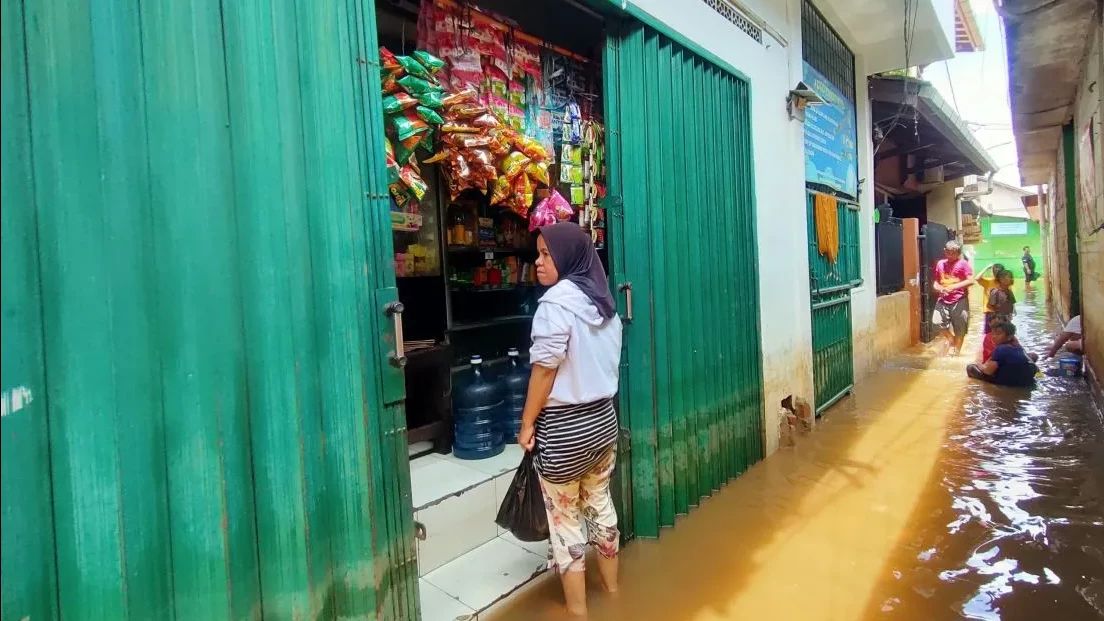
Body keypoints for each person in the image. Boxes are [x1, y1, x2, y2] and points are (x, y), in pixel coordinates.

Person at [517, 222, 623, 616]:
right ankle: (614, 595)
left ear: (566, 258)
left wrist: (527, 424)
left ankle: (578, 612)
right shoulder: (605, 304)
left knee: (566, 525)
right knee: (600, 506)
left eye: (546, 255)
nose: (538, 262)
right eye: (539, 253)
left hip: (564, 430)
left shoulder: (555, 306)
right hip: (603, 424)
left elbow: (544, 371)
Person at [932, 240, 975, 356]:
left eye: (953, 253)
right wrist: (939, 288)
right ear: (944, 251)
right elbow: (936, 282)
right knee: (936, 322)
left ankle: (956, 354)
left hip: (959, 300)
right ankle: (951, 340)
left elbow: (971, 280)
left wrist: (953, 287)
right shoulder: (940, 264)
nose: (950, 255)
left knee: (960, 328)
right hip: (943, 299)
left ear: (958, 253)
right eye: (948, 252)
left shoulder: (963, 264)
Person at [967, 321, 1038, 386]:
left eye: (998, 334)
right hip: (1026, 383)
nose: (994, 337)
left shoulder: (1001, 349)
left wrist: (980, 366)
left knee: (970, 367)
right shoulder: (1019, 348)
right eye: (993, 333)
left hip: (1008, 384)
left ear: (1009, 337)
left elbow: (988, 372)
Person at [980, 269, 1017, 362]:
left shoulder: (1009, 291)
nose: (1010, 279)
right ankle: (991, 361)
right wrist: (999, 313)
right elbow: (989, 305)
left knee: (1007, 340)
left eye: (1010, 278)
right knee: (996, 341)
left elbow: (1012, 303)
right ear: (1000, 280)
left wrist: (1011, 311)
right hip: (998, 321)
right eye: (1007, 278)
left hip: (1007, 319)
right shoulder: (995, 292)